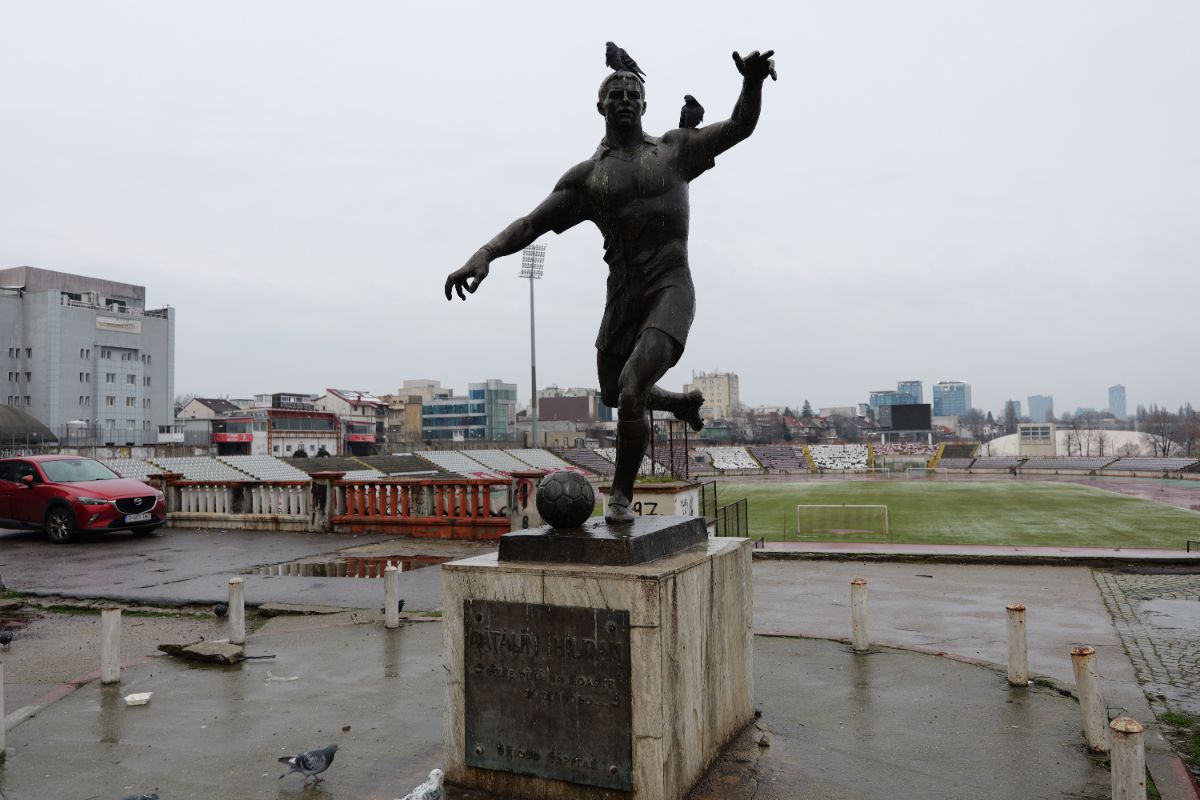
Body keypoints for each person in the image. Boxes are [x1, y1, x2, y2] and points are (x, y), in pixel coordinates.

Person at [446, 49, 776, 524]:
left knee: (632, 384)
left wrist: (752, 82)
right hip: (623, 297)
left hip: (671, 289)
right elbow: (531, 223)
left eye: (633, 94)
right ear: (600, 106)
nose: (625, 100)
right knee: (614, 392)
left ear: (644, 104)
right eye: (615, 95)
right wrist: (484, 255)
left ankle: (619, 497)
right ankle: (681, 403)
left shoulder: (675, 151)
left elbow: (741, 127)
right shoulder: (587, 178)